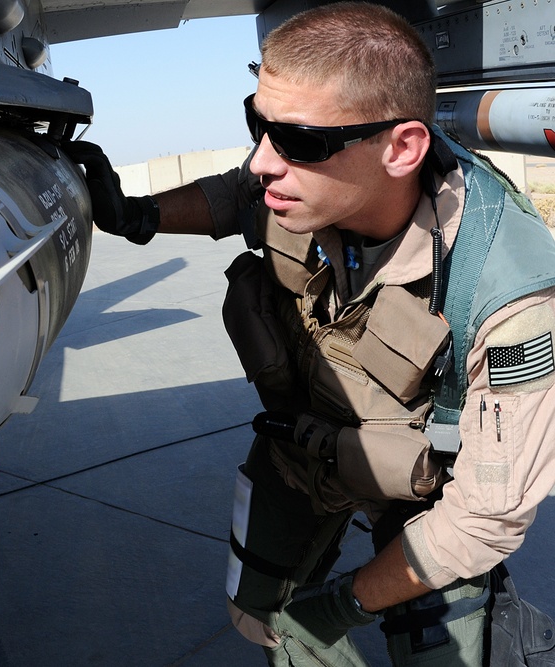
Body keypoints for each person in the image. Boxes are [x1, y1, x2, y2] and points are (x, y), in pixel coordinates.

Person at [63, 3, 555, 665]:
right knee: (259, 619)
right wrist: (139, 213)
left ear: (402, 148)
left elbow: (483, 519)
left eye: (297, 139)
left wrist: (343, 602)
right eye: (256, 124)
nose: (264, 161)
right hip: (303, 456)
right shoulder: (305, 185)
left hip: (422, 493)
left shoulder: (505, 288)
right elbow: (236, 193)